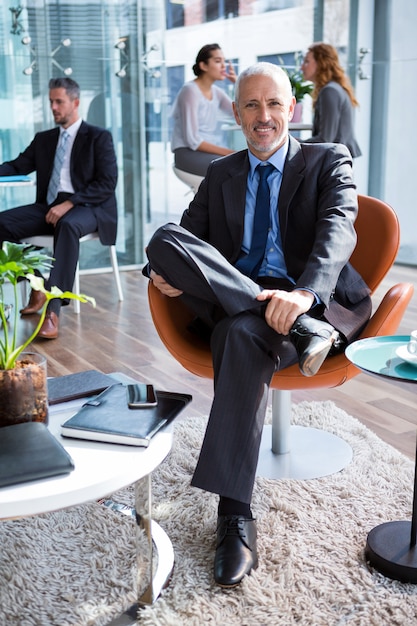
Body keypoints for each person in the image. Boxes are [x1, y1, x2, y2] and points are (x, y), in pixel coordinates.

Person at [144, 62, 371, 588]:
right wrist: (167, 273)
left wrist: (303, 295)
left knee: (239, 335)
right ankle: (282, 323)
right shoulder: (221, 173)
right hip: (244, 300)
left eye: (274, 104)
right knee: (162, 241)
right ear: (235, 112)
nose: (263, 116)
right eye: (251, 105)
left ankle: (234, 516)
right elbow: (183, 240)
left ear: (291, 109)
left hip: (300, 302)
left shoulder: (325, 160)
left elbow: (339, 230)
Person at [0, 77, 118, 339]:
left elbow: (107, 183)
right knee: (2, 223)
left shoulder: (98, 137)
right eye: (51, 101)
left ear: (75, 103)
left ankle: (53, 310)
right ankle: (37, 283)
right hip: (50, 205)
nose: (53, 107)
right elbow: (17, 166)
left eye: (59, 101)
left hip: (90, 205)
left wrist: (70, 203)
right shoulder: (45, 139)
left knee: (68, 224)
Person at [171, 43, 236, 176]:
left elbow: (239, 113)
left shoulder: (216, 92)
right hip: (187, 152)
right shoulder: (190, 91)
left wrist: (238, 82)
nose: (224, 66)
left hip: (206, 152)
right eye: (218, 61)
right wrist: (230, 153)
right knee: (232, 167)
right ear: (203, 65)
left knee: (240, 165)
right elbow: (192, 141)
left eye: (224, 61)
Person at [300, 42, 362, 158]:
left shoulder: (330, 91)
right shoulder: (333, 89)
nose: (301, 67)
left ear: (321, 64)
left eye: (307, 61)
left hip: (335, 160)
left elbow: (326, 139)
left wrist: (296, 144)